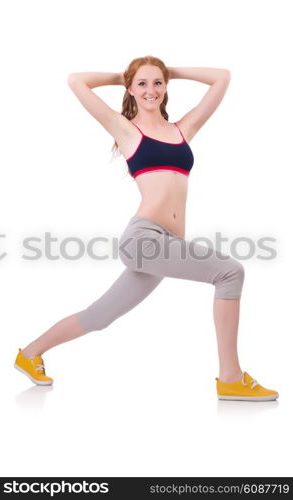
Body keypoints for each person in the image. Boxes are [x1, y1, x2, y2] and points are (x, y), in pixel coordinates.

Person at [14, 55, 278, 401]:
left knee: (100, 315)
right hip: (144, 239)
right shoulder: (126, 129)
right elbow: (76, 80)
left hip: (168, 244)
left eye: (157, 83)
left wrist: (172, 71)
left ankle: (29, 353)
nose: (151, 90)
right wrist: (123, 76)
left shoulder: (183, 129)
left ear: (166, 87)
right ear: (131, 89)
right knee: (230, 272)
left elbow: (222, 78)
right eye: (142, 84)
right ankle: (231, 377)